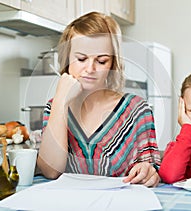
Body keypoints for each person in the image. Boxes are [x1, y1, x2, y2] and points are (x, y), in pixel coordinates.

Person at [37, 11, 161, 187]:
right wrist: (60, 102)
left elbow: (150, 168)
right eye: (81, 59)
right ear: (67, 59)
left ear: (113, 64)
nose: (90, 68)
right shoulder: (54, 106)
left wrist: (147, 171)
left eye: (101, 61)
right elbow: (50, 171)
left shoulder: (137, 109)